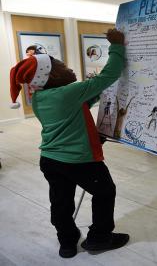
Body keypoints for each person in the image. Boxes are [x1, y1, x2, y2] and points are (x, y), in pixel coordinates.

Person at [9, 29, 129, 258]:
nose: (71, 69)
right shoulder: (70, 92)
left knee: (61, 201)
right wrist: (116, 46)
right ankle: (99, 237)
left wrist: (91, 92)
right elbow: (109, 76)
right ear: (52, 76)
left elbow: (78, 106)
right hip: (78, 161)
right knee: (105, 191)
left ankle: (66, 241)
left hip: (50, 161)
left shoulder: (40, 99)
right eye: (63, 67)